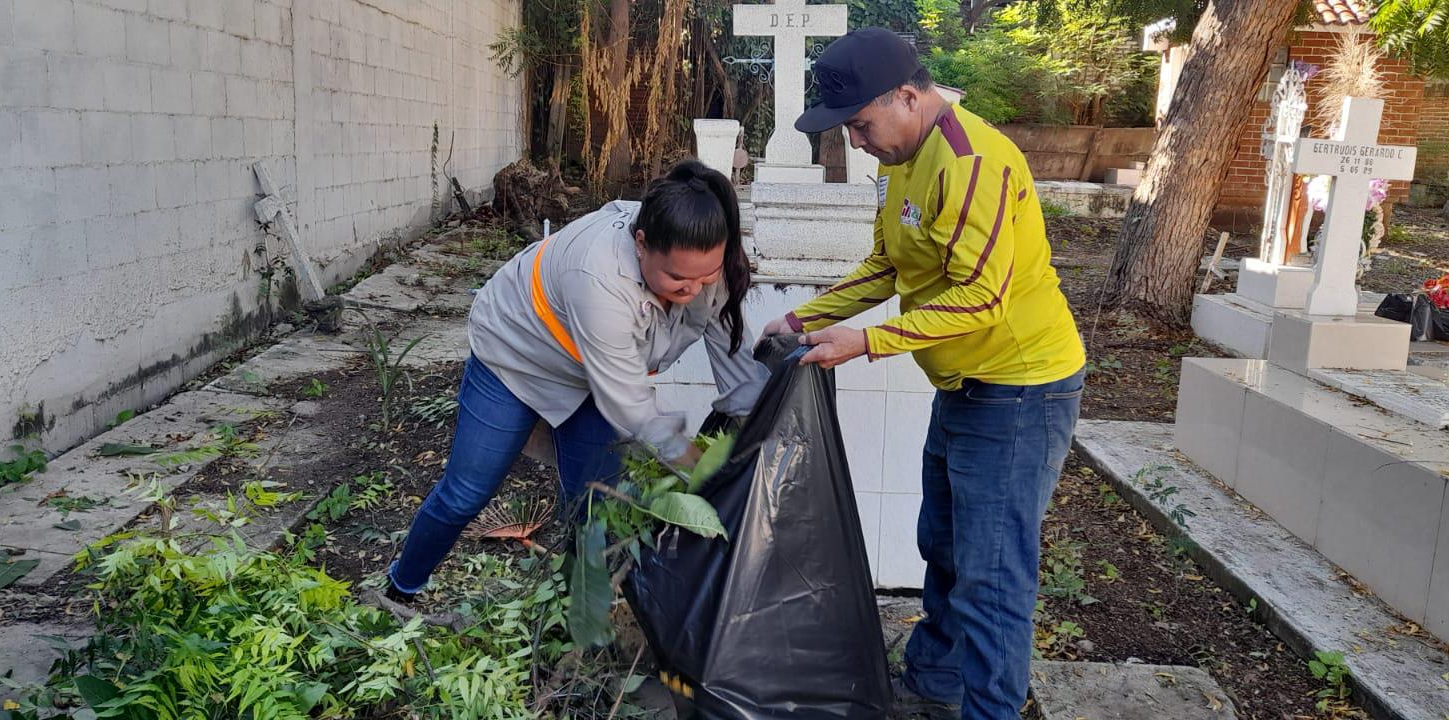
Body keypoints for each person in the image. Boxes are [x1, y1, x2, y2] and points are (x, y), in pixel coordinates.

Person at [760, 29, 1086, 719]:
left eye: (860, 125)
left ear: (907, 96)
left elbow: (982, 298)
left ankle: (989, 710)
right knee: (941, 544)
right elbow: (888, 268)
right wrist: (801, 320)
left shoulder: (972, 165)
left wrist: (867, 343)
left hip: (1020, 390)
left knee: (992, 575)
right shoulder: (900, 159)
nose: (856, 142)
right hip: (964, 385)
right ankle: (934, 684)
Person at [388, 159, 769, 600]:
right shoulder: (599, 276)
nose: (694, 290)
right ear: (641, 244)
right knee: (466, 492)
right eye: (678, 279)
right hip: (516, 358)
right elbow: (631, 406)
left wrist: (763, 433)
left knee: (596, 505)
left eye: (705, 277)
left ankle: (579, 613)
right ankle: (400, 589)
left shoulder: (708, 271)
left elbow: (737, 367)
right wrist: (699, 470)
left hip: (591, 378)